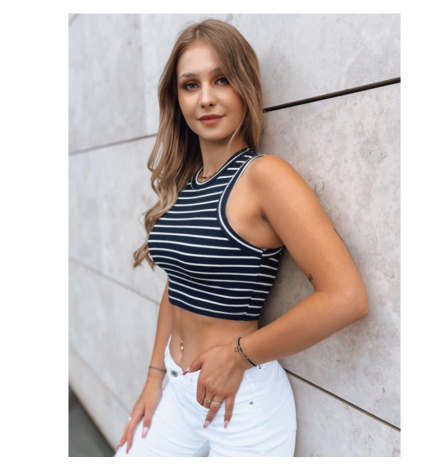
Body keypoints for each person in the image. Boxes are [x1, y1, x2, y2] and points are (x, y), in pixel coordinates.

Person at [114, 18, 368, 458]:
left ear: (245, 87)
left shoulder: (264, 176)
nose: (206, 98)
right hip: (179, 389)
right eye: (190, 85)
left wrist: (237, 356)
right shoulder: (188, 183)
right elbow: (178, 285)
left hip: (241, 403)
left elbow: (347, 297)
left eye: (222, 80)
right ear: (177, 99)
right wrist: (154, 377)